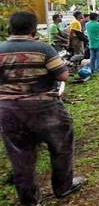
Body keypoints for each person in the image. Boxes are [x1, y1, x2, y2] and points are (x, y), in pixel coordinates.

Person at [0, 12, 85, 205]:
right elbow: (63, 75)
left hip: (8, 111)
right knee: (61, 146)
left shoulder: (1, 49)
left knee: (20, 157)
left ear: (10, 28)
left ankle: (29, 201)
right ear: (33, 28)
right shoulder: (43, 49)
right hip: (44, 107)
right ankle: (63, 186)